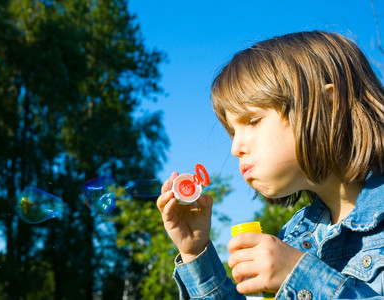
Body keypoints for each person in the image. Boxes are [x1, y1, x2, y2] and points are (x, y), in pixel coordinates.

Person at [156, 30, 384, 299]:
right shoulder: (296, 235)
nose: (235, 147)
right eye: (232, 132)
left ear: (329, 106)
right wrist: (196, 253)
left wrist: (300, 276)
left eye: (253, 121)